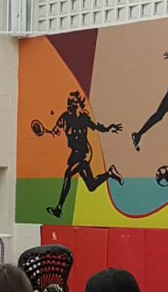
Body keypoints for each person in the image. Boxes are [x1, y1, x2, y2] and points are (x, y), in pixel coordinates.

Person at [40, 90, 124, 219]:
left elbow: (96, 127)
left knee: (68, 174)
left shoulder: (84, 118)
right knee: (91, 186)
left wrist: (108, 128)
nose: (70, 106)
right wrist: (52, 131)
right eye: (68, 103)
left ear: (78, 105)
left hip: (85, 153)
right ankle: (110, 173)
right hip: (75, 154)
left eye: (73, 104)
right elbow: (55, 129)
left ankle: (59, 208)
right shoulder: (64, 117)